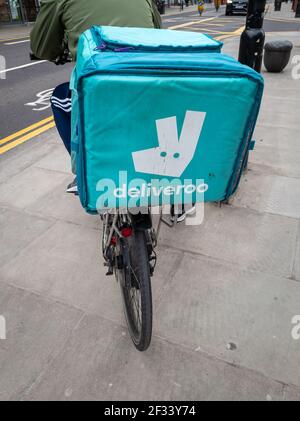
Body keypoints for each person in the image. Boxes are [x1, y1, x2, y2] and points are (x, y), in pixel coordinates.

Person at [30, 0, 162, 193]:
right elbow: (158, 33)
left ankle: (83, 169)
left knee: (59, 98)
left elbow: (42, 47)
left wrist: (59, 51)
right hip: (146, 83)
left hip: (98, 87)